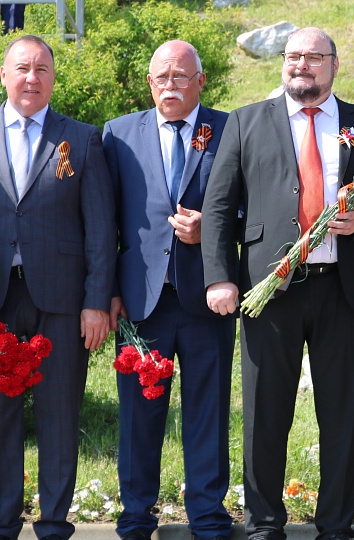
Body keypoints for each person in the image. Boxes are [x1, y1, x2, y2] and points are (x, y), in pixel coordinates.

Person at [201, 27, 354, 540]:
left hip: (344, 288)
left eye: (314, 57)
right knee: (265, 415)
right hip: (270, 290)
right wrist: (219, 277)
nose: (302, 65)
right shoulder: (246, 122)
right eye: (293, 55)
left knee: (343, 415)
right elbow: (219, 206)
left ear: (334, 65)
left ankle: (335, 526)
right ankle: (263, 525)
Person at [0, 35, 116, 540]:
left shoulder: (81, 139)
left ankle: (53, 526)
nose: (31, 77)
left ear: (53, 79)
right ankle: (2, 525)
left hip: (62, 302)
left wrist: (96, 302)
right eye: (22, 68)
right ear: (3, 75)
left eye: (42, 69)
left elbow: (100, 229)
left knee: (59, 418)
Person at [102, 40, 234, 540]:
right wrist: (108, 291)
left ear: (200, 81)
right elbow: (105, 220)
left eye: (181, 76)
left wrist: (211, 229)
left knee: (208, 412)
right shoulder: (119, 133)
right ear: (150, 83)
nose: (170, 85)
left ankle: (208, 517)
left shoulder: (228, 129)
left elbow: (249, 205)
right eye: (162, 77)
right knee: (139, 414)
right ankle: (136, 516)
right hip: (141, 301)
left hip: (207, 297)